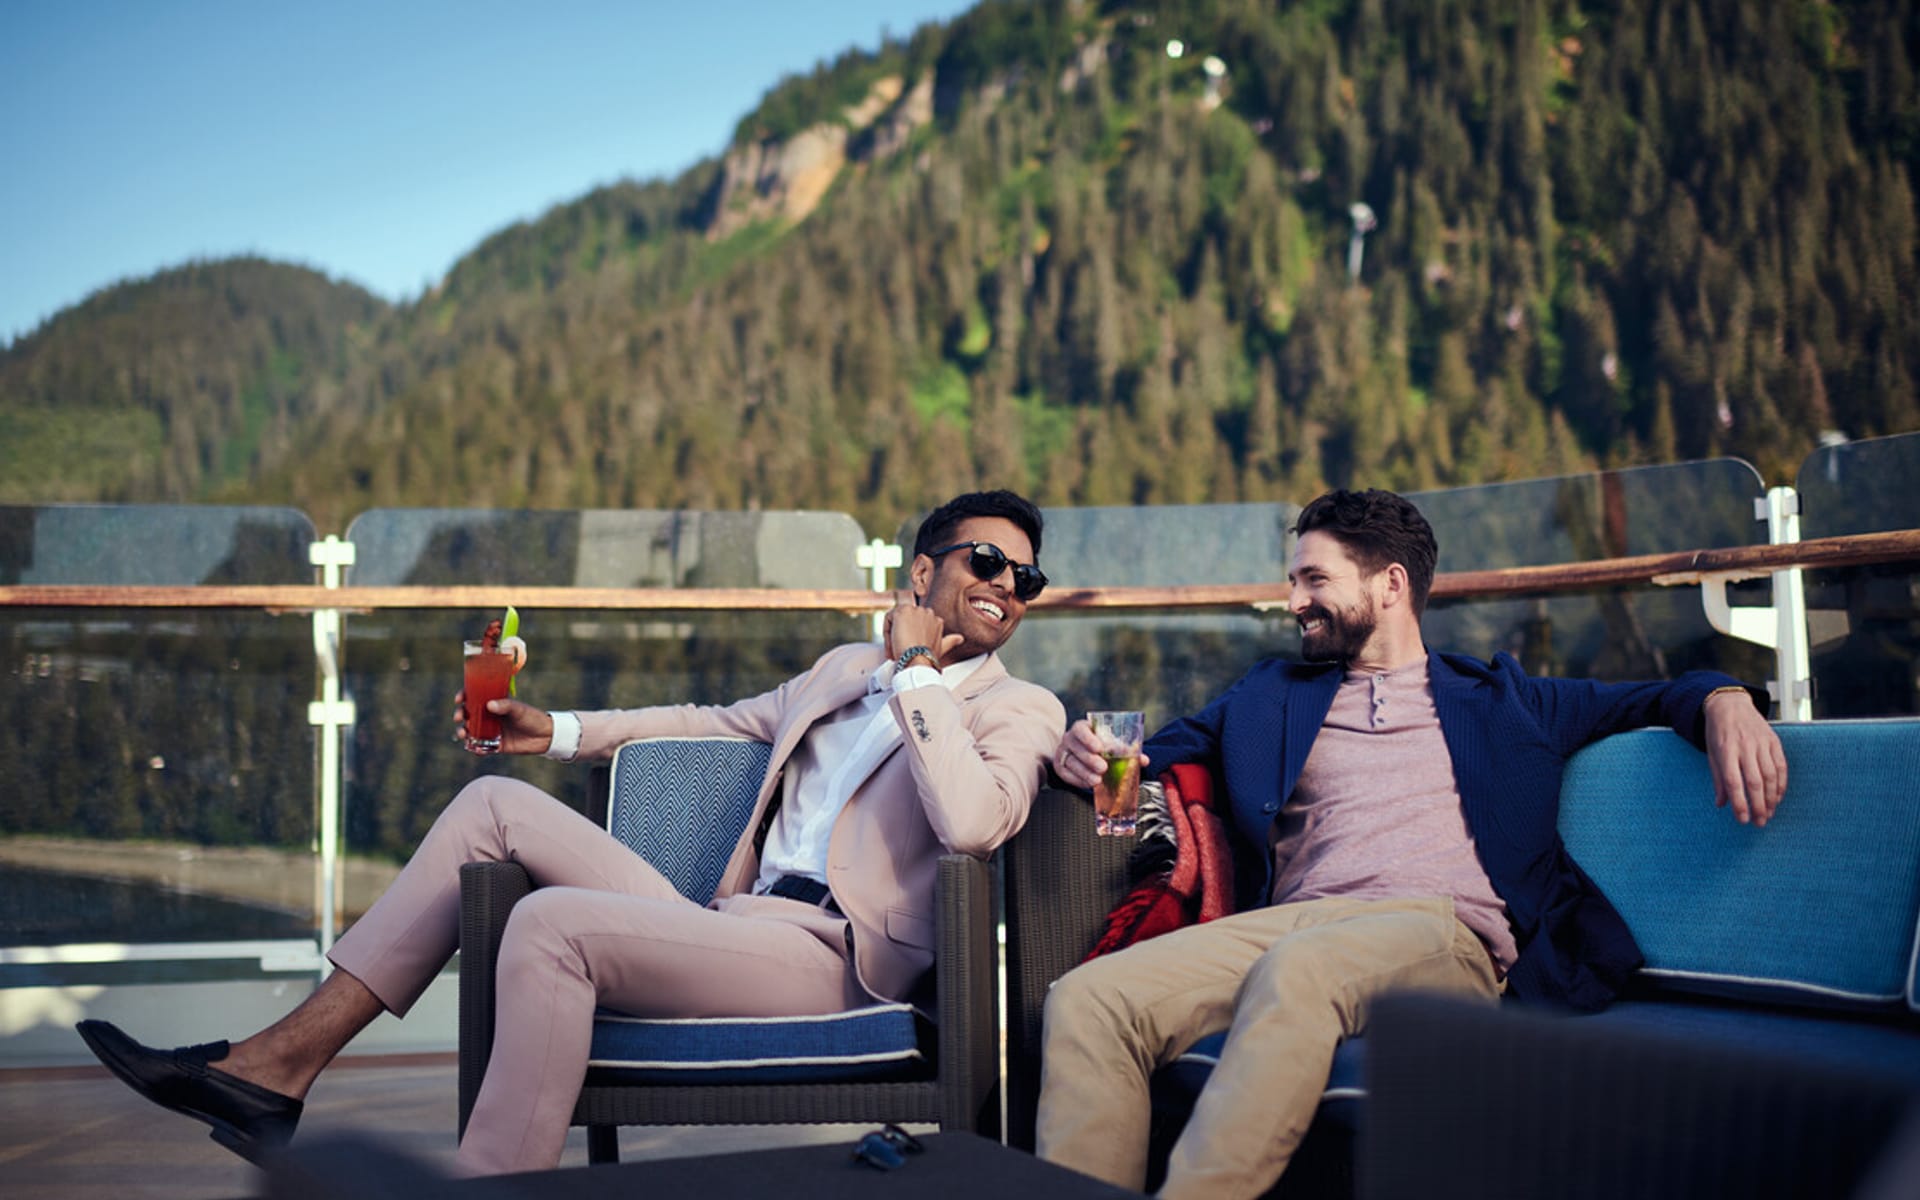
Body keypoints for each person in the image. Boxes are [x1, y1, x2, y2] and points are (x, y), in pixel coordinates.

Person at [77, 489, 1065, 1174]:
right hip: (732, 921)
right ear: (926, 569)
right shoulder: (842, 669)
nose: (1007, 587)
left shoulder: (1019, 710)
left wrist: (923, 678)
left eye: (1026, 579)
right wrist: (558, 731)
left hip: (832, 960)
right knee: (491, 806)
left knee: (549, 927)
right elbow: (712, 724)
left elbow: (973, 826)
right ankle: (272, 1071)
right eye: (988, 562)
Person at [1038, 488, 1787, 1200]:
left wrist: (1725, 699)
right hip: (1288, 927)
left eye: (1312, 579)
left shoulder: (1506, 699)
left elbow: (1655, 694)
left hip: (1440, 931)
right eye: (1293, 580)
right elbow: (1148, 757)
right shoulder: (1271, 693)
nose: (1293, 601)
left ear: (1390, 584)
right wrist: (1090, 751)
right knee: (1088, 1000)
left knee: (1302, 970)